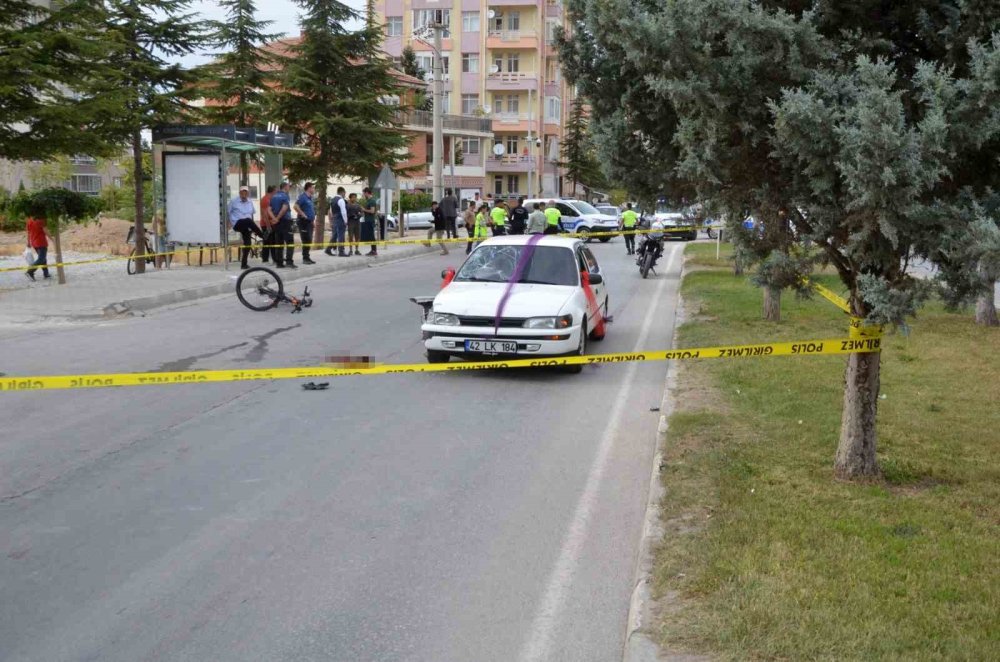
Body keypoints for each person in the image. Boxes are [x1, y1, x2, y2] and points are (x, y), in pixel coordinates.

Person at [228, 185, 265, 270]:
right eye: (242, 193)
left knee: (248, 244)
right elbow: (228, 212)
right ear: (239, 193)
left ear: (248, 194)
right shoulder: (234, 201)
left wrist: (252, 227)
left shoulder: (250, 202)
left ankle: (244, 264)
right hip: (237, 223)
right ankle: (262, 235)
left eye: (246, 193)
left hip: (247, 225)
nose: (244, 194)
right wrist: (228, 223)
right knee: (248, 220)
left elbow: (251, 214)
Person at [269, 181, 295, 268]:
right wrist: (278, 218)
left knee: (279, 243)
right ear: (285, 187)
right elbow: (284, 208)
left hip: (277, 224)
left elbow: (268, 210)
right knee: (290, 242)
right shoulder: (285, 196)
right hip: (285, 221)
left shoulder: (273, 197)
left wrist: (274, 218)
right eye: (288, 186)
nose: (289, 188)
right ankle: (289, 261)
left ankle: (279, 263)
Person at [293, 181, 317, 264]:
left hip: (309, 222)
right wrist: (303, 214)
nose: (314, 189)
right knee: (306, 240)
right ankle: (305, 258)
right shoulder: (302, 197)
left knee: (309, 240)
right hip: (303, 222)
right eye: (313, 188)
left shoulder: (310, 198)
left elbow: (311, 211)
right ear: (309, 188)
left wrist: (312, 221)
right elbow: (295, 206)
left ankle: (307, 257)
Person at [24, 215, 53, 281]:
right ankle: (30, 272)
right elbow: (45, 230)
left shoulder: (29, 221)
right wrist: (52, 239)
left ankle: (46, 274)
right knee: (41, 259)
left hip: (34, 243)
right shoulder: (41, 219)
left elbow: (28, 232)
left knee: (43, 258)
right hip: (41, 242)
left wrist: (28, 242)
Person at [325, 186, 349, 257]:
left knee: (334, 235)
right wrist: (345, 221)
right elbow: (343, 212)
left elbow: (331, 211)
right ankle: (341, 251)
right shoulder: (341, 200)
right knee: (341, 236)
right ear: (342, 192)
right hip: (340, 219)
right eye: (345, 193)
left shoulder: (332, 200)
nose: (345, 194)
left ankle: (328, 249)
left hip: (335, 219)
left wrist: (332, 220)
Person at [259, 184, 276, 263]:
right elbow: (265, 214)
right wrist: (269, 226)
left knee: (272, 241)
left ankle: (273, 258)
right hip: (266, 225)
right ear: (272, 192)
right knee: (267, 241)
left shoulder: (269, 199)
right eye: (275, 192)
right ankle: (265, 259)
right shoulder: (265, 200)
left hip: (269, 224)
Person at [360, 187, 379, 256]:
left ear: (367, 193)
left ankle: (374, 251)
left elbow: (372, 211)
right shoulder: (368, 200)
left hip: (370, 221)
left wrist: (364, 209)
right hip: (367, 220)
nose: (363, 195)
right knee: (370, 236)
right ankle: (372, 250)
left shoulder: (372, 201)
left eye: (364, 193)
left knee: (371, 236)